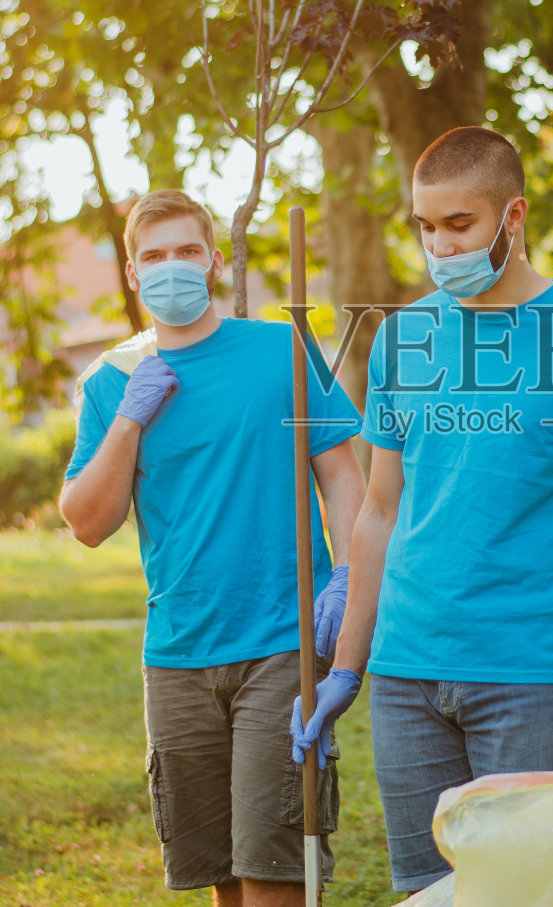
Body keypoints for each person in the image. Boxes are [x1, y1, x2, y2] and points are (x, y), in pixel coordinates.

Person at [289, 126, 553, 895]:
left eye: (458, 224)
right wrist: (347, 666)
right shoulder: (403, 337)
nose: (439, 247)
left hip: (528, 676)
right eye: (425, 227)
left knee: (526, 895)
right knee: (426, 895)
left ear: (513, 216)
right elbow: (377, 512)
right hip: (406, 678)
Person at [59, 189, 365, 907]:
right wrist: (130, 420)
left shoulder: (283, 349)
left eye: (187, 252)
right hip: (177, 655)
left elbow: (342, 478)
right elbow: (87, 520)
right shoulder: (112, 381)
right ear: (133, 274)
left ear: (215, 261)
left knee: (272, 874)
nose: (173, 268)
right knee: (221, 880)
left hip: (281, 641)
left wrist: (349, 575)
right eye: (154, 256)